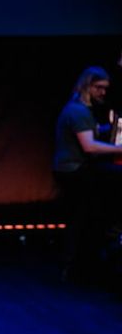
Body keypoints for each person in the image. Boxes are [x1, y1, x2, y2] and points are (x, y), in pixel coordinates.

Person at [53, 66, 122, 281]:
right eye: (99, 87)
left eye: (105, 88)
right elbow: (89, 147)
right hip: (74, 170)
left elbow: (92, 132)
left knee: (82, 218)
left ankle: (80, 263)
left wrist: (111, 130)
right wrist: (119, 149)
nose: (103, 92)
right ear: (87, 86)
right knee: (84, 217)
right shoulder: (79, 111)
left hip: (73, 169)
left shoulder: (80, 110)